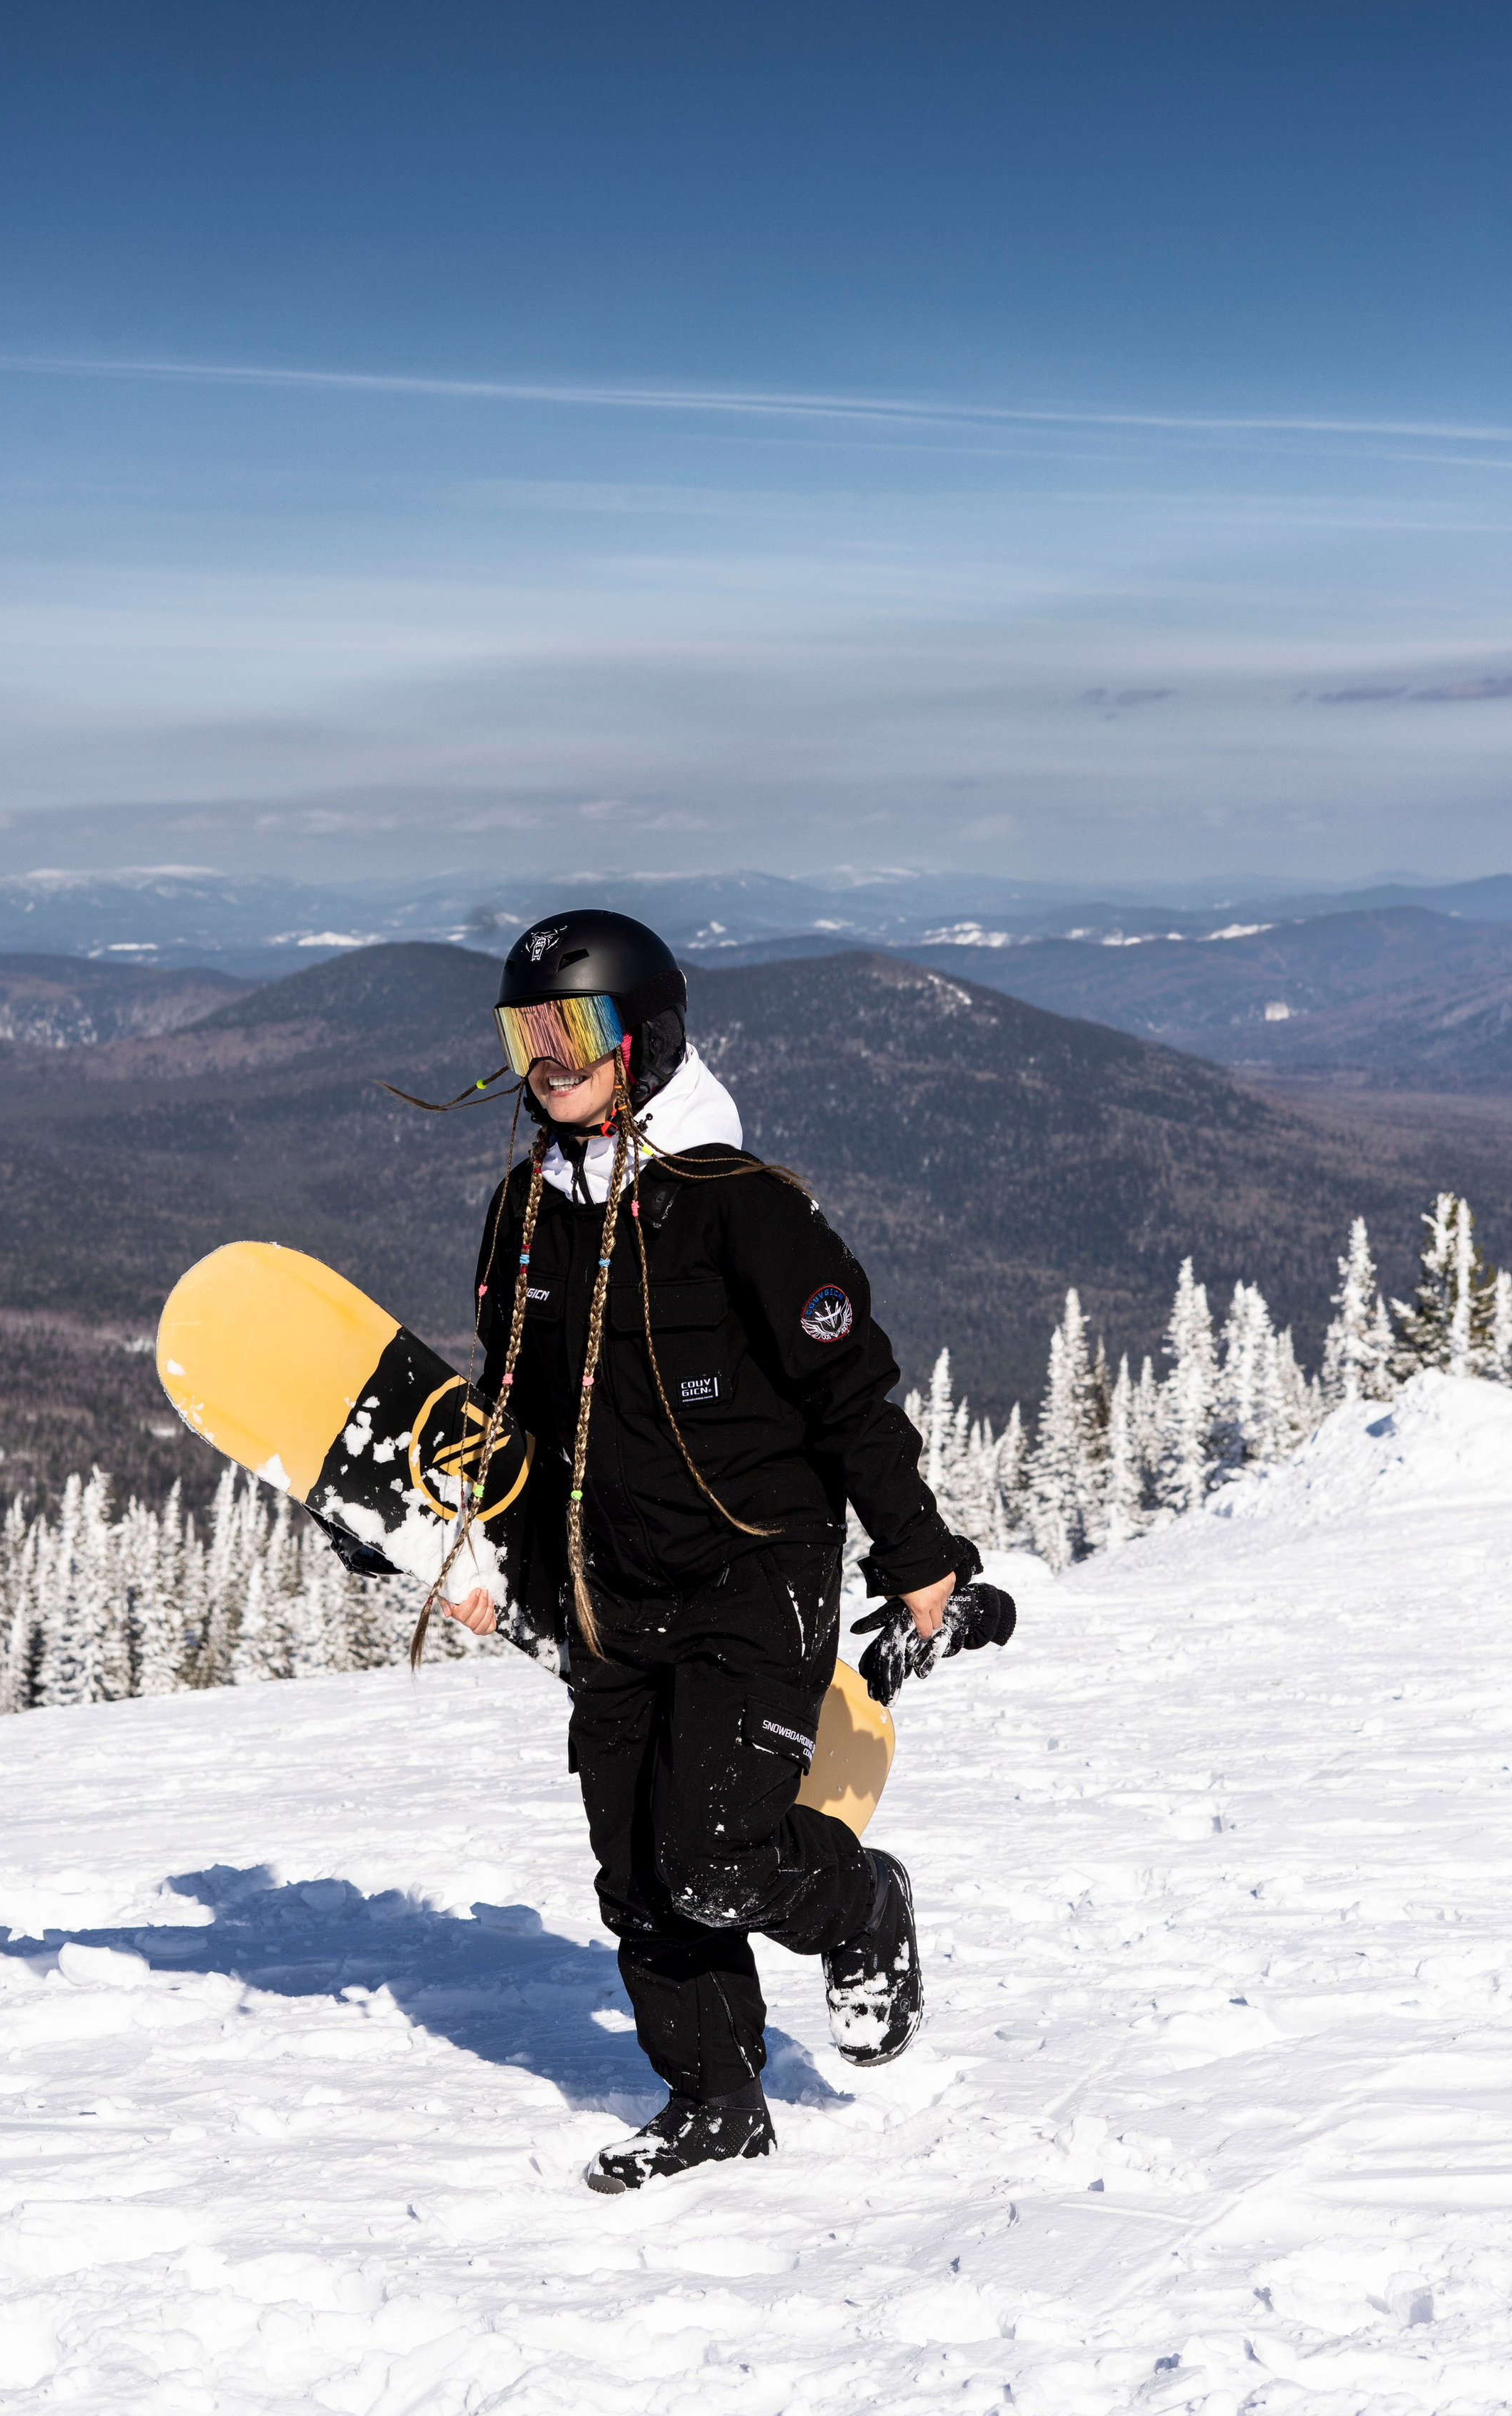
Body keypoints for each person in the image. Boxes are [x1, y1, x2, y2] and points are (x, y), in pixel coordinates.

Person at [446, 909, 980, 2193]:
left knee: (715, 1859)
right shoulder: (528, 1210)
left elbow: (851, 1394)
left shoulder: (739, 1209)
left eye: (575, 1026)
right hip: (608, 1581)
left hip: (754, 1571)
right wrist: (478, 1548)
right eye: (529, 1030)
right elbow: (517, 1412)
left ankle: (860, 1905)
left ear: (647, 1036)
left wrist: (916, 1555)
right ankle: (716, 2100)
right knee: (636, 1872)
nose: (549, 1057)